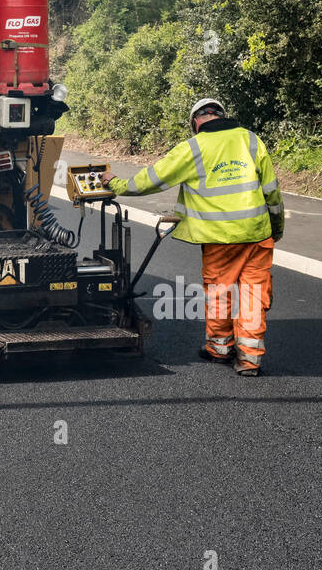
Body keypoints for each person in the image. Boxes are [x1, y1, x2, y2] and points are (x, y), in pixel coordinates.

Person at [101, 98, 284, 376]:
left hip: (220, 238)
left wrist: (115, 183)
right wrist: (277, 227)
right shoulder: (251, 140)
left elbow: (151, 180)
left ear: (196, 122)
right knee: (253, 295)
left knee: (221, 292)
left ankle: (219, 348)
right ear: (221, 115)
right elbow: (272, 191)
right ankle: (249, 359)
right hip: (258, 236)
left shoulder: (193, 147)